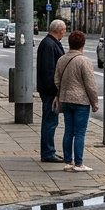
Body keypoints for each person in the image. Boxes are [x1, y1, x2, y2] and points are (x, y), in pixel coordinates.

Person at [54, 30, 99, 173]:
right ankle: (79, 163)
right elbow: (90, 84)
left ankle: (68, 161)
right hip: (81, 101)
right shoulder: (84, 61)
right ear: (83, 44)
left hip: (65, 100)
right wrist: (95, 102)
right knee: (80, 132)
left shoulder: (62, 59)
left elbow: (56, 80)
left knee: (68, 131)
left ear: (70, 43)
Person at [36, 19, 67, 163]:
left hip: (49, 90)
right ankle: (48, 153)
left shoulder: (50, 43)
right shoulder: (49, 45)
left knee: (51, 121)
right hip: (50, 92)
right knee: (50, 122)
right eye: (64, 29)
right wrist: (55, 92)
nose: (65, 32)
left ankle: (49, 151)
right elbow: (49, 71)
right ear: (59, 30)